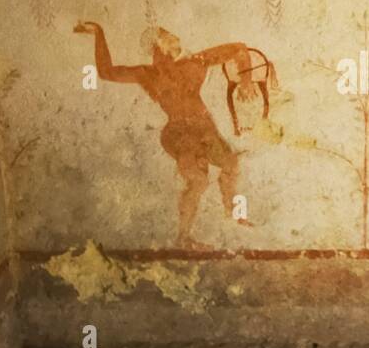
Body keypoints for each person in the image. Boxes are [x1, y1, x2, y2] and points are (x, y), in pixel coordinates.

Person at [75, 21, 252, 249]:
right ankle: (184, 238)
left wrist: (246, 82)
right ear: (156, 49)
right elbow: (106, 72)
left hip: (205, 129)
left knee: (231, 163)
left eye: (170, 37)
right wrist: (99, 33)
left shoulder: (196, 62)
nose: (172, 41)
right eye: (165, 39)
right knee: (198, 180)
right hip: (179, 134)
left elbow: (239, 49)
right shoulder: (147, 74)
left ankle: (234, 214)